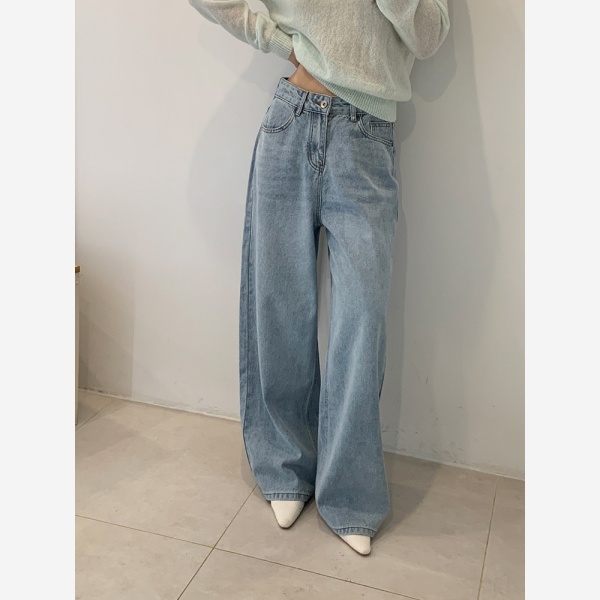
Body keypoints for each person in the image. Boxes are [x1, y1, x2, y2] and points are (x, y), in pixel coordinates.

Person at [188, 0, 450, 556]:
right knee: (280, 305)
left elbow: (429, 37)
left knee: (362, 323)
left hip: (368, 140)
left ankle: (351, 493)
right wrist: (279, 42)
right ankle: (284, 466)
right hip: (292, 118)